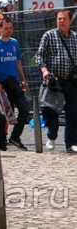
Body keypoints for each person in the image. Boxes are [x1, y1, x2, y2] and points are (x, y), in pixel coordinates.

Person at [0, 15, 30, 151]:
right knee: (2, 116)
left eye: (10, 28)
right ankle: (1, 143)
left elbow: (18, 61)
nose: (8, 30)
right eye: (5, 28)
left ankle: (15, 137)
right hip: (1, 83)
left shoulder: (14, 43)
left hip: (14, 82)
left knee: (24, 109)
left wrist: (23, 79)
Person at [37, 9, 77, 152]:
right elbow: (39, 56)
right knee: (50, 110)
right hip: (55, 80)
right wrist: (45, 71)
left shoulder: (75, 37)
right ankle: (51, 137)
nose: (61, 21)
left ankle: (71, 144)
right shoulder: (49, 35)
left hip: (72, 81)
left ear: (70, 20)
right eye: (59, 19)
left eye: (64, 19)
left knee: (73, 113)